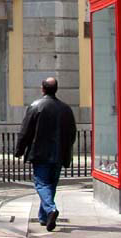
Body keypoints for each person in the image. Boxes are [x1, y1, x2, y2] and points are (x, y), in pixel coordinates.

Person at [15, 77, 77, 232]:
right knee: (51, 185)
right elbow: (72, 133)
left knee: (42, 184)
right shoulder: (66, 109)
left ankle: (50, 210)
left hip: (40, 153)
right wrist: (66, 149)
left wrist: (19, 150)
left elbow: (25, 131)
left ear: (42, 89)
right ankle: (44, 217)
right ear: (56, 89)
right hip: (59, 154)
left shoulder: (35, 106)